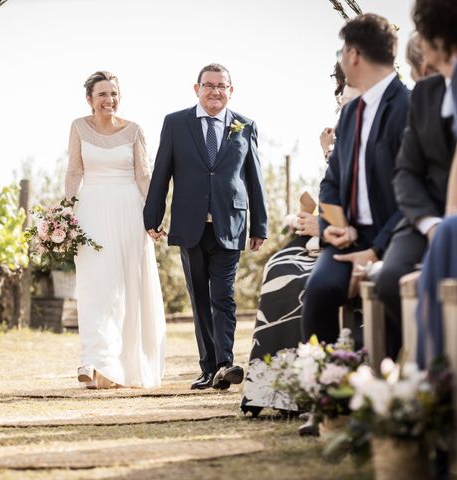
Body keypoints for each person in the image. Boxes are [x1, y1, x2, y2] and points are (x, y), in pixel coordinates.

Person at [242, 66, 359, 416]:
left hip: (355, 237)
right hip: (333, 230)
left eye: (345, 93)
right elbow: (335, 188)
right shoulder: (344, 132)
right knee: (280, 264)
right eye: (339, 94)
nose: (341, 101)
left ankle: (315, 386)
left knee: (298, 280)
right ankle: (273, 386)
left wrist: (323, 226)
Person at [144, 63, 267, 391]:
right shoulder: (175, 123)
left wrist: (261, 225)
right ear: (196, 88)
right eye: (209, 85)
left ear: (231, 90)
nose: (215, 91)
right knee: (199, 298)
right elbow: (161, 174)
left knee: (223, 296)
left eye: (221, 86)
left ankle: (225, 364)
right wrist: (151, 218)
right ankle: (207, 368)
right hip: (190, 224)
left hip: (231, 223)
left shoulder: (245, 126)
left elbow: (254, 179)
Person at [301, 13, 410, 345]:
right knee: (318, 291)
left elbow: (420, 191)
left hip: (396, 236)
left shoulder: (409, 108)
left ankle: (386, 382)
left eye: (341, 52)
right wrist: (335, 224)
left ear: (353, 56)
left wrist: (377, 250)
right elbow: (332, 179)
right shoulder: (349, 113)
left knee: (388, 295)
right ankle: (324, 384)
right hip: (347, 236)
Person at [378, 1, 457, 361]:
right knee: (394, 277)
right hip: (432, 214)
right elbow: (409, 170)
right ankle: (426, 371)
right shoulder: (434, 90)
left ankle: (435, 374)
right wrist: (441, 220)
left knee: (455, 239)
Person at [65, 71, 165, 389]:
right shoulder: (78, 127)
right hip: (91, 209)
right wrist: (65, 214)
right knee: (95, 285)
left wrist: (154, 215)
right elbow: (74, 171)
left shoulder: (134, 130)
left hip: (129, 211)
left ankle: (121, 367)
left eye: (114, 93)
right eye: (102, 95)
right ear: (89, 100)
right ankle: (92, 361)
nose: (109, 100)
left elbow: (144, 175)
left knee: (126, 287)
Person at [416, 0, 457, 366]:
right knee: (449, 231)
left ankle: (435, 378)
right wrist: (450, 213)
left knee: (455, 234)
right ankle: (436, 378)